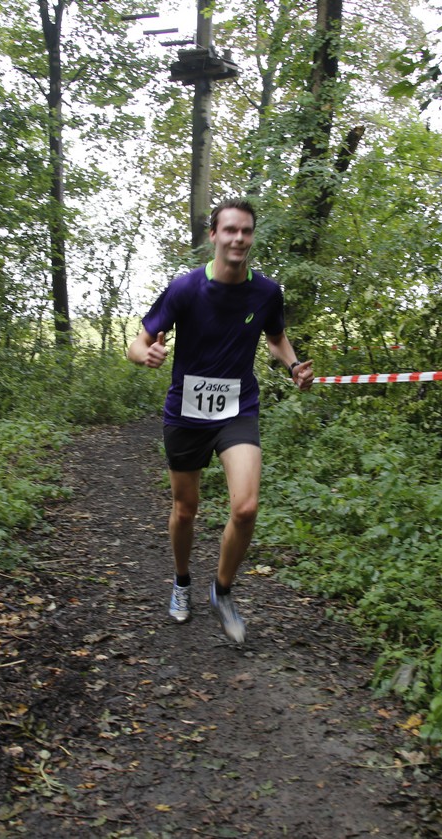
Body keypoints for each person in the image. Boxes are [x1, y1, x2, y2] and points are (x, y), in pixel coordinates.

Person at [127, 198, 313, 643]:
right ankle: (181, 581)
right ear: (213, 235)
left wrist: (293, 365)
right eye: (230, 230)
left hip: (237, 408)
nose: (238, 239)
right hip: (186, 412)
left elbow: (276, 338)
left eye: (246, 231)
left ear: (252, 236)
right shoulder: (185, 289)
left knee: (245, 508)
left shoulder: (266, 292)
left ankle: (222, 591)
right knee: (185, 509)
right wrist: (146, 355)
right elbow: (137, 343)